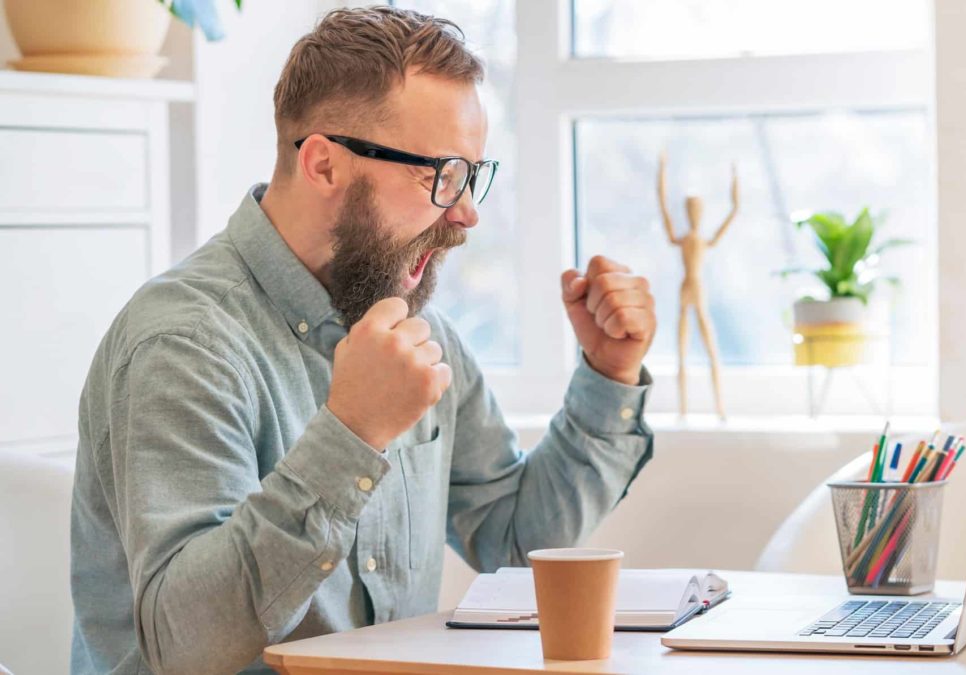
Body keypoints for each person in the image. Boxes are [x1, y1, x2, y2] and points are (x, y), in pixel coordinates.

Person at [69, 7, 657, 674]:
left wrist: (610, 375)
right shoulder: (184, 343)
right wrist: (350, 434)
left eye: (471, 175)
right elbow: (186, 645)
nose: (465, 212)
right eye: (441, 174)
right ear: (324, 165)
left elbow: (515, 539)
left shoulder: (416, 329)